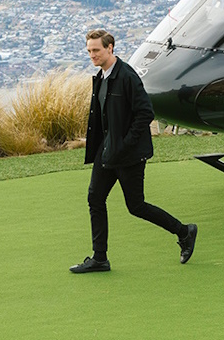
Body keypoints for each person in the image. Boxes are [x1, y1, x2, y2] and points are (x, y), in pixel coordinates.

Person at [69, 29, 198, 273]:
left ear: (110, 48)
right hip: (107, 153)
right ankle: (100, 258)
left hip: (128, 156)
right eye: (89, 51)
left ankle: (184, 231)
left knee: (136, 206)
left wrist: (125, 144)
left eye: (96, 50)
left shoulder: (127, 76)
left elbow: (145, 114)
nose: (92, 55)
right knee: (95, 199)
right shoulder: (102, 76)